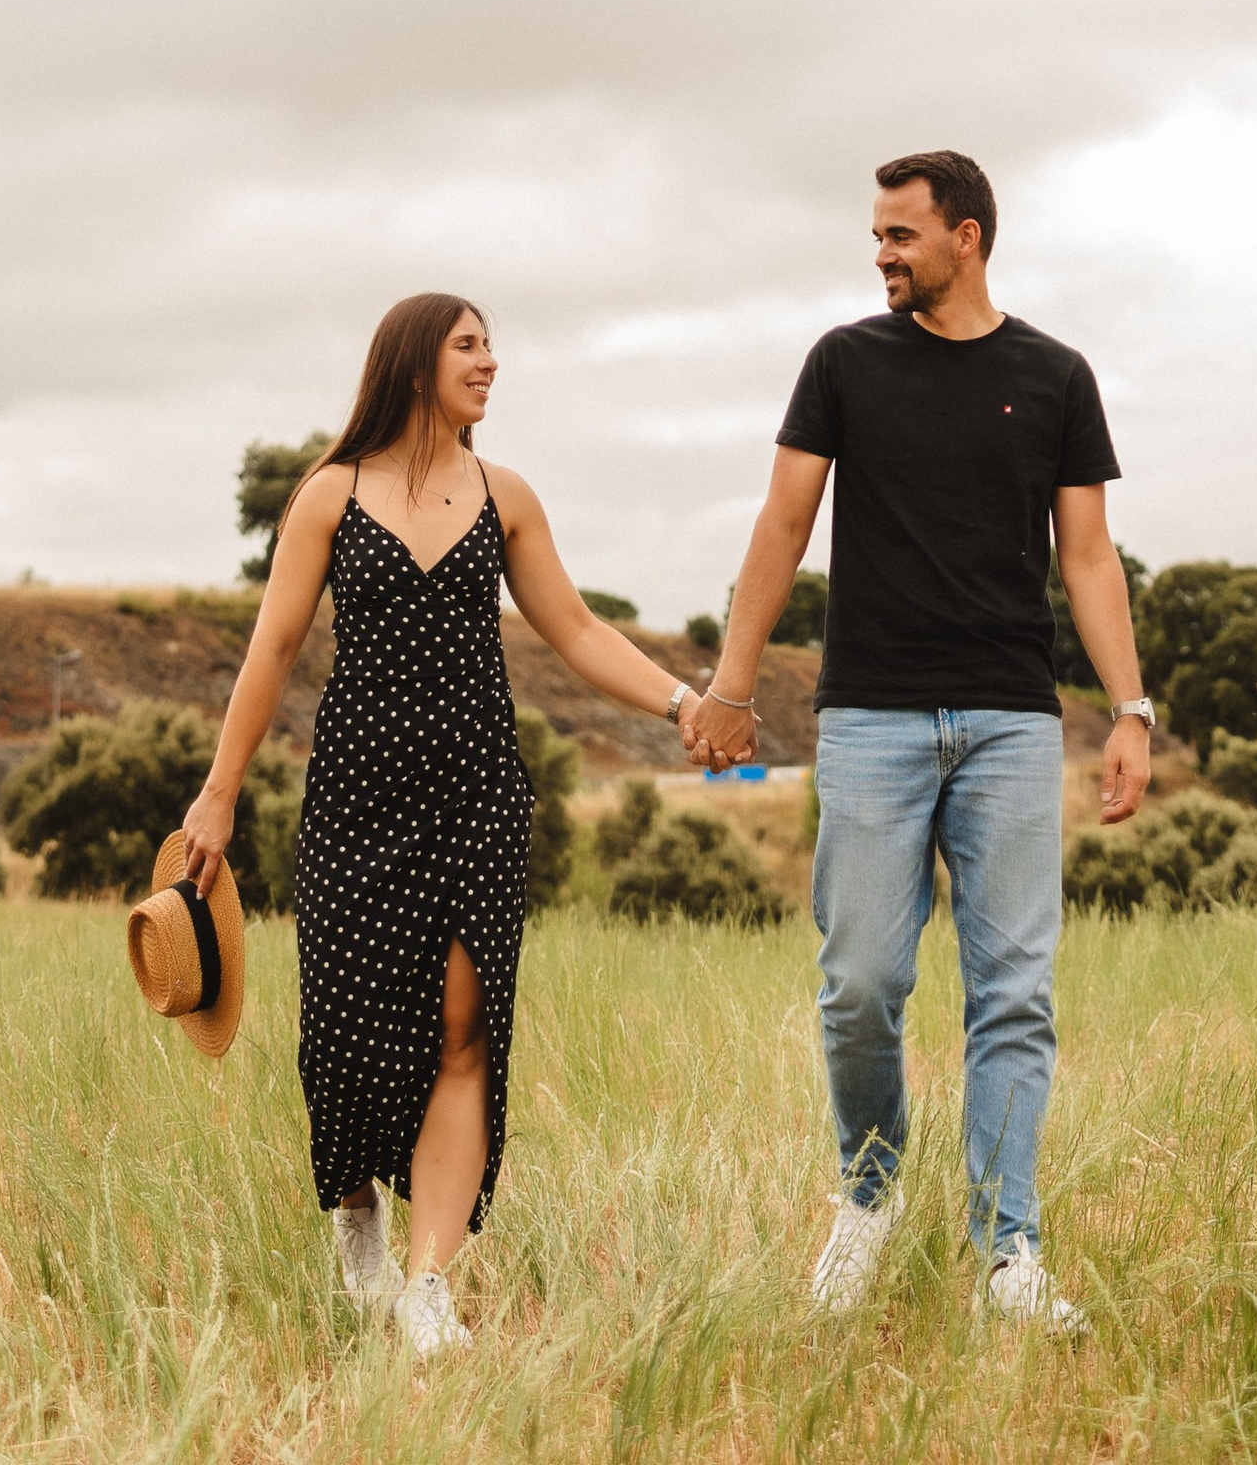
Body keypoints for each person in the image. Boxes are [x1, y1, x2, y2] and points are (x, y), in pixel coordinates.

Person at [179, 290, 704, 1360]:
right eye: (470, 346)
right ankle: (356, 1208)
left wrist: (683, 704)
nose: (491, 363)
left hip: (475, 797)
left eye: (492, 347)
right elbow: (271, 651)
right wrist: (219, 791)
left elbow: (575, 628)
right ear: (416, 362)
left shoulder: (504, 496)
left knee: (464, 1032)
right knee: (344, 1035)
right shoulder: (330, 496)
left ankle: (429, 1285)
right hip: (355, 800)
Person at [684, 150, 1151, 1326]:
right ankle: (869, 1193)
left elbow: (1086, 557)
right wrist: (731, 689)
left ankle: (1009, 1256)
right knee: (860, 981)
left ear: (968, 238)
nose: (882, 254)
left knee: (1012, 996)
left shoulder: (1055, 377)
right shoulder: (843, 362)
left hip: (1007, 719)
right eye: (877, 237)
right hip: (871, 716)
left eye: (901, 235)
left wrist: (1130, 710)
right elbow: (783, 522)